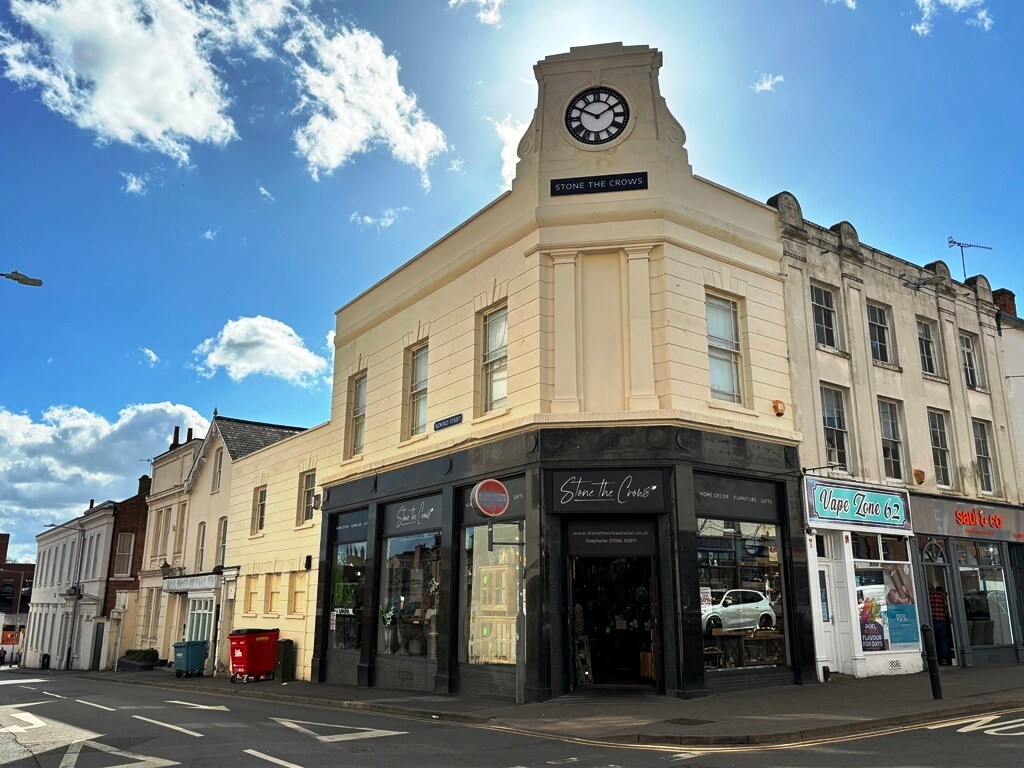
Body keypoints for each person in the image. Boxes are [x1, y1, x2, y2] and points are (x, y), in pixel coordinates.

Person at [929, 582, 950, 665]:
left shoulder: (929, 596)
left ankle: (933, 658)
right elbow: (946, 607)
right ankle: (944, 659)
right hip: (941, 620)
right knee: (942, 640)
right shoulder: (941, 596)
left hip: (932, 620)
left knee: (932, 640)